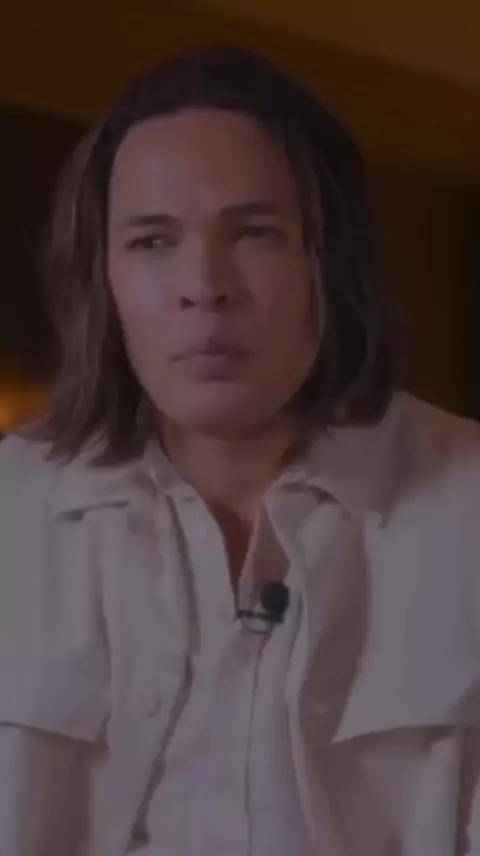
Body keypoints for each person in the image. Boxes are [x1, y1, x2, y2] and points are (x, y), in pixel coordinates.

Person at [0, 44, 479, 856]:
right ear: (102, 276)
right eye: (153, 241)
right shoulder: (12, 509)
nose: (205, 287)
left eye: (255, 233)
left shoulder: (466, 504)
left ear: (329, 263)